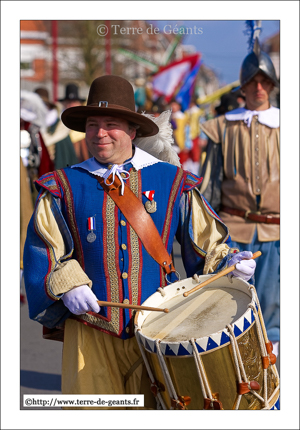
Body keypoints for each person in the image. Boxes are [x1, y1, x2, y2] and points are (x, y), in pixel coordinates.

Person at [23, 75, 256, 409]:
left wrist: (229, 264)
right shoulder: (62, 185)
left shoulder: (171, 180)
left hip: (162, 329)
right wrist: (67, 283)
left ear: (133, 131)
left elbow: (205, 244)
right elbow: (43, 249)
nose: (99, 133)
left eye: (111, 124)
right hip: (89, 331)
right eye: (92, 124)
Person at [199, 38, 280, 363]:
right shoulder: (222, 127)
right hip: (234, 231)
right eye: (252, 81)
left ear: (272, 85)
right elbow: (208, 186)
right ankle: (238, 375)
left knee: (275, 310)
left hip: (279, 232)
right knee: (234, 306)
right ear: (242, 86)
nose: (258, 87)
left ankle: (275, 380)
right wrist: (207, 236)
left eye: (264, 81)